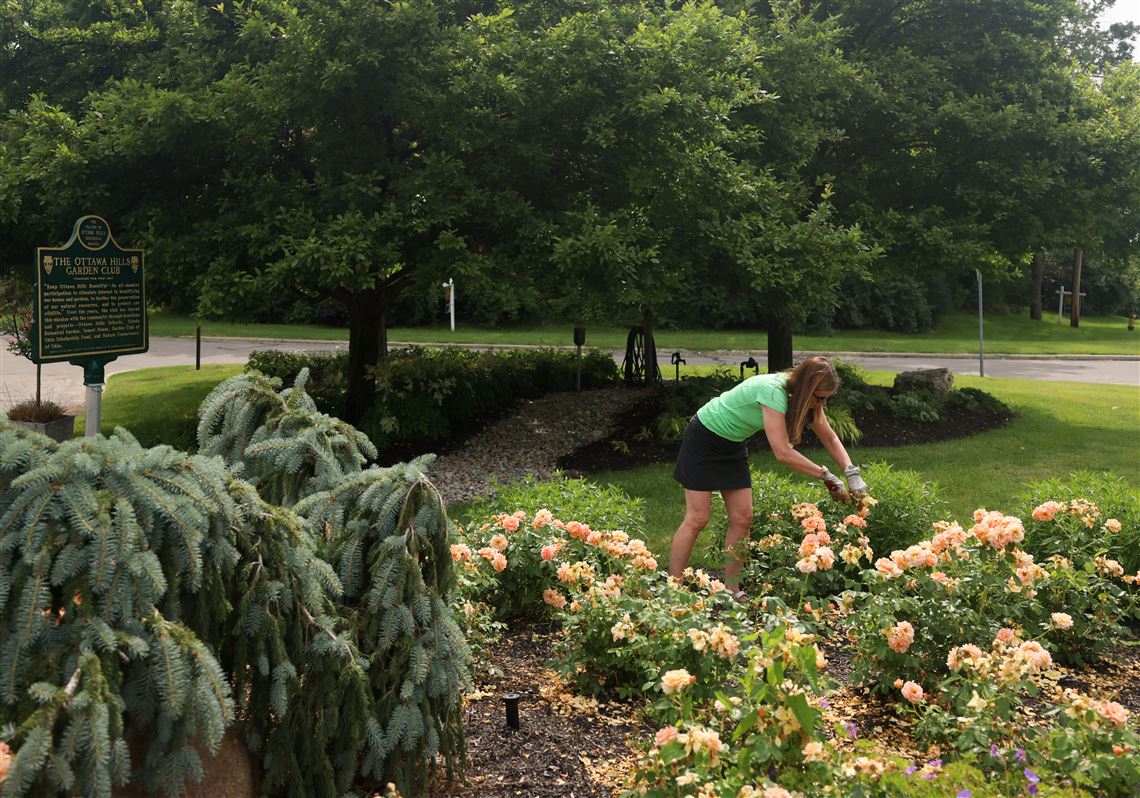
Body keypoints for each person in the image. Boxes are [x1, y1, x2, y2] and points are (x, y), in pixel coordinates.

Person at [668, 356, 866, 601]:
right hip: (704, 437)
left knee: (743, 518)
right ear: (807, 389)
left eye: (826, 398)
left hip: (732, 443)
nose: (822, 403)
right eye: (820, 397)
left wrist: (851, 472)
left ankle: (732, 588)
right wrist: (825, 475)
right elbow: (783, 453)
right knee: (698, 517)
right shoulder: (774, 392)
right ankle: (672, 589)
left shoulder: (807, 399)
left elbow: (830, 437)